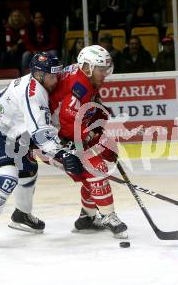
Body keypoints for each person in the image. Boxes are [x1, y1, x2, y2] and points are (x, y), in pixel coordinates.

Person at [0, 52, 83, 246]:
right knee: (8, 176)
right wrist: (62, 154)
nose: (55, 80)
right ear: (39, 74)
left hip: (14, 132)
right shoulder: (34, 93)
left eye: (56, 75)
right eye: (51, 76)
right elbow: (40, 134)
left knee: (28, 172)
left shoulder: (42, 83)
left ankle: (21, 216)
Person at [48, 45, 128, 238]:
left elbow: (81, 109)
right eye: (101, 69)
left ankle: (88, 217)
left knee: (104, 158)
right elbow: (68, 122)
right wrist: (93, 136)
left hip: (65, 133)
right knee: (95, 168)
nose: (105, 74)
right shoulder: (80, 84)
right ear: (87, 68)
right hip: (51, 140)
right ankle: (108, 216)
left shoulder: (85, 76)